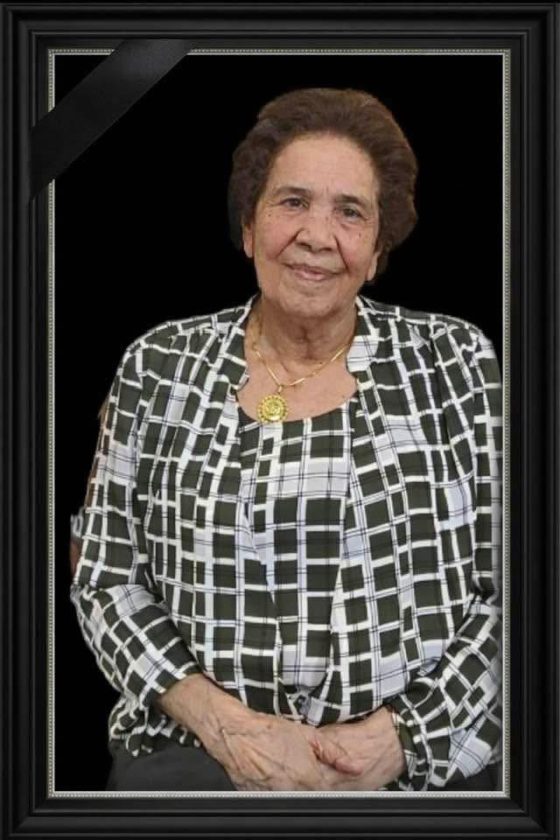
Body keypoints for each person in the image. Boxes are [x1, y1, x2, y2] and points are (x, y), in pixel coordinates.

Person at [70, 87, 502, 792]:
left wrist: (402, 737)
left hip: (426, 762)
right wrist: (226, 727)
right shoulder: (157, 365)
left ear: (377, 248)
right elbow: (104, 577)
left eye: (350, 212)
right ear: (249, 226)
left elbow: (519, 589)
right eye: (292, 202)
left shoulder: (455, 362)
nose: (317, 235)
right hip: (199, 755)